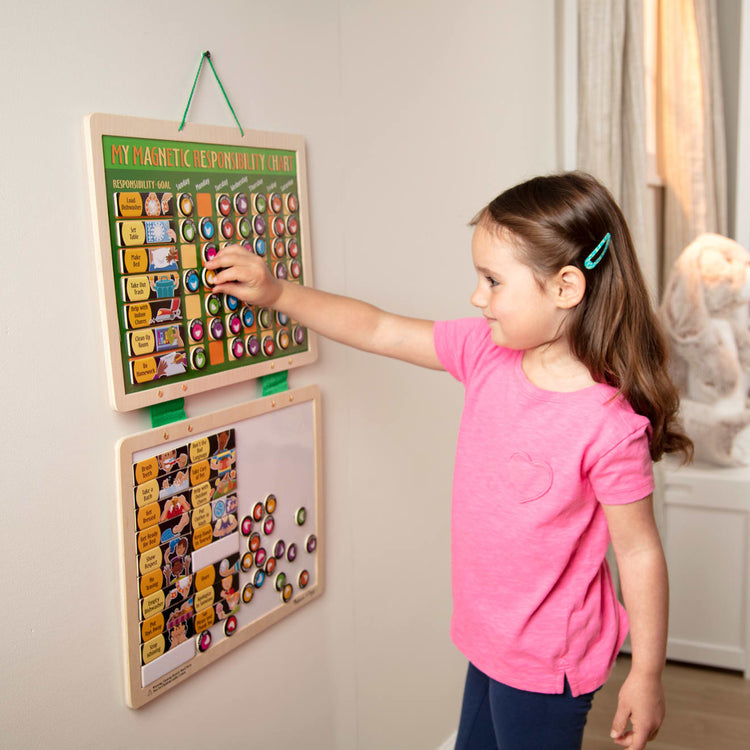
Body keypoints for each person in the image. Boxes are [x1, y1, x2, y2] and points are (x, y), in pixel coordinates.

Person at [207, 172, 692, 750]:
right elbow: (380, 328)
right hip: (488, 637)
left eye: (492, 281)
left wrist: (646, 673)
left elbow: (639, 553)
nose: (476, 297)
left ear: (565, 287)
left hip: (545, 660)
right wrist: (279, 294)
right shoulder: (487, 353)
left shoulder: (609, 425)